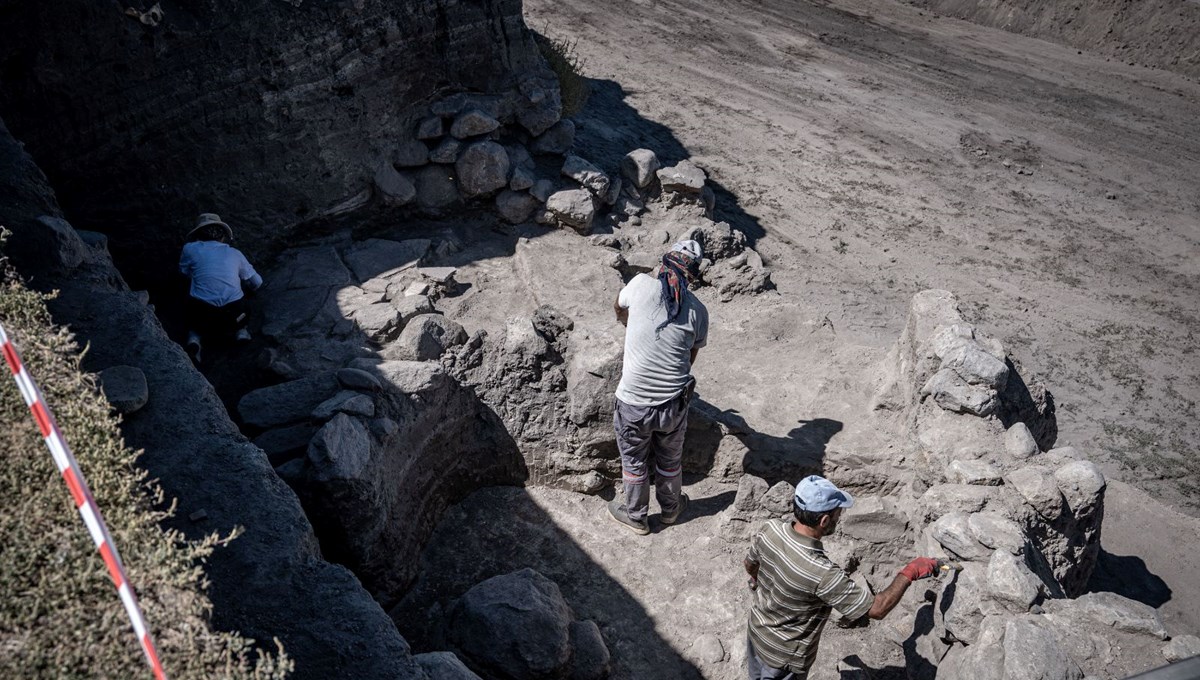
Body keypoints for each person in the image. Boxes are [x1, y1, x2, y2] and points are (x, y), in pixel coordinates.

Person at [743, 475, 940, 679]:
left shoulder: (770, 529)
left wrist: (768, 582)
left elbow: (750, 565)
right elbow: (877, 609)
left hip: (756, 631)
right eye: (838, 513)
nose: (840, 517)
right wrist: (910, 571)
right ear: (824, 520)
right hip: (784, 658)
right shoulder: (822, 571)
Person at [608, 239, 708, 535]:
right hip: (673, 406)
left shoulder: (639, 285)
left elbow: (618, 305)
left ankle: (636, 515)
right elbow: (690, 357)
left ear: (663, 265)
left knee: (634, 460)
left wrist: (633, 326)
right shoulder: (698, 311)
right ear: (692, 276)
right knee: (669, 459)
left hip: (633, 403)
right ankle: (671, 509)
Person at [178, 213, 262, 364]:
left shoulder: (189, 249)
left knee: (191, 295)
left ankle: (194, 339)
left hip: (202, 315)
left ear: (197, 235)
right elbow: (257, 282)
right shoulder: (235, 253)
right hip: (234, 315)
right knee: (243, 299)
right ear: (223, 236)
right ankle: (241, 331)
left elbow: (184, 272)